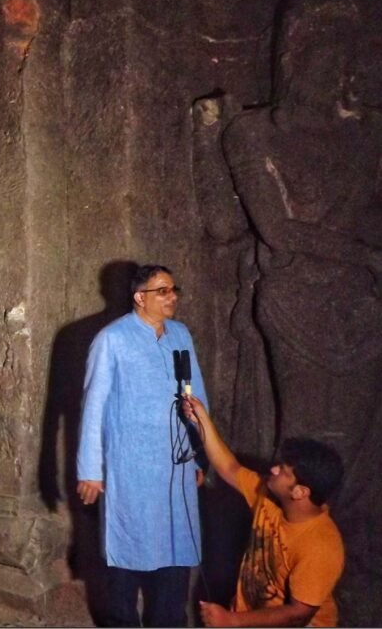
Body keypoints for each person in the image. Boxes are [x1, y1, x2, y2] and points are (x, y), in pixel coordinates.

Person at [76, 264, 209, 627]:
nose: (172, 297)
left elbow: (197, 398)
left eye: (173, 290)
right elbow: (94, 407)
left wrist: (199, 458)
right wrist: (90, 470)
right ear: (140, 297)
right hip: (131, 466)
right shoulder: (112, 339)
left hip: (177, 465)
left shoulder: (180, 335)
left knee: (175, 548)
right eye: (162, 291)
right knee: (128, 550)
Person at [182, 395, 345, 627]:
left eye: (284, 471)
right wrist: (201, 419)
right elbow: (228, 467)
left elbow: (299, 614)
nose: (274, 469)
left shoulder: (321, 545)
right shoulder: (268, 496)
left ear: (300, 492)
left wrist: (233, 621)